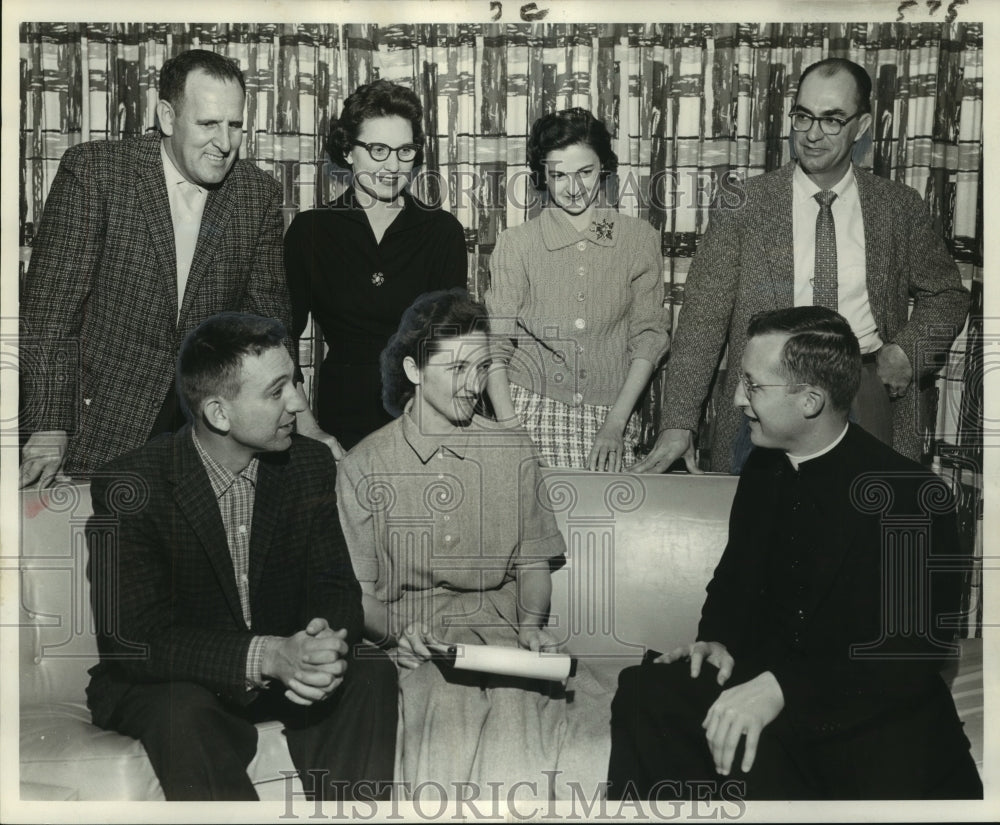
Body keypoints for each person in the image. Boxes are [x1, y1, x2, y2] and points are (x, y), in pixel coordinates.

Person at [607, 306, 981, 800]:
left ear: (810, 400)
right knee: (644, 693)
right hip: (768, 704)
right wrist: (717, 640)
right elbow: (735, 579)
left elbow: (913, 655)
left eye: (753, 385)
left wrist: (781, 689)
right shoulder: (764, 469)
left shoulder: (914, 496)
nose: (738, 399)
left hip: (864, 724)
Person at [84, 313, 397, 801]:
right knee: (180, 710)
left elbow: (335, 587)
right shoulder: (134, 486)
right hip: (178, 680)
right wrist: (268, 656)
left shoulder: (308, 465)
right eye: (277, 392)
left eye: (295, 381)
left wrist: (322, 645)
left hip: (283, 669)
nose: (298, 402)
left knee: (370, 671)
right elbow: (134, 638)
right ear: (218, 413)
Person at [634, 57, 969, 475]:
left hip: (861, 393)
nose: (812, 134)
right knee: (764, 532)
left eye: (832, 120)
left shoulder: (899, 208)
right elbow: (702, 321)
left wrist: (908, 352)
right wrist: (679, 423)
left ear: (861, 127)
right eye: (803, 116)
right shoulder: (744, 205)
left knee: (863, 532)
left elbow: (949, 295)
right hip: (763, 399)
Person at [336, 289, 610, 798]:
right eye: (456, 368)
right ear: (414, 371)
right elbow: (359, 595)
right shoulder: (364, 465)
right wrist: (400, 633)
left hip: (504, 631)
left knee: (524, 712)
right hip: (414, 639)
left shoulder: (513, 449)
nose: (472, 385)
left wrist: (530, 627)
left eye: (481, 368)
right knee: (444, 714)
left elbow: (533, 565)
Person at [20, 48, 291, 488]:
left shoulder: (256, 195)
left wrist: (283, 410)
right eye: (208, 124)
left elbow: (265, 327)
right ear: (167, 117)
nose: (225, 142)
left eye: (235, 125)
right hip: (97, 426)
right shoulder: (95, 173)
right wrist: (51, 424)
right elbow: (51, 316)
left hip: (206, 437)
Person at [284, 80, 468, 454]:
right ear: (348, 151)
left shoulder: (442, 231)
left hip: (423, 422)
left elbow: (451, 347)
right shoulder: (311, 231)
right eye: (378, 149)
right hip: (337, 423)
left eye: (404, 151)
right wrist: (311, 430)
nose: (392, 165)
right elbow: (279, 342)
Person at [485, 107, 669, 471]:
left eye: (585, 172)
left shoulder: (637, 240)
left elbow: (649, 336)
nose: (573, 188)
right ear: (542, 175)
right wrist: (510, 432)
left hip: (612, 415)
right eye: (559, 176)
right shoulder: (516, 244)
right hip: (527, 409)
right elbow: (495, 345)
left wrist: (615, 424)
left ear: (604, 167)